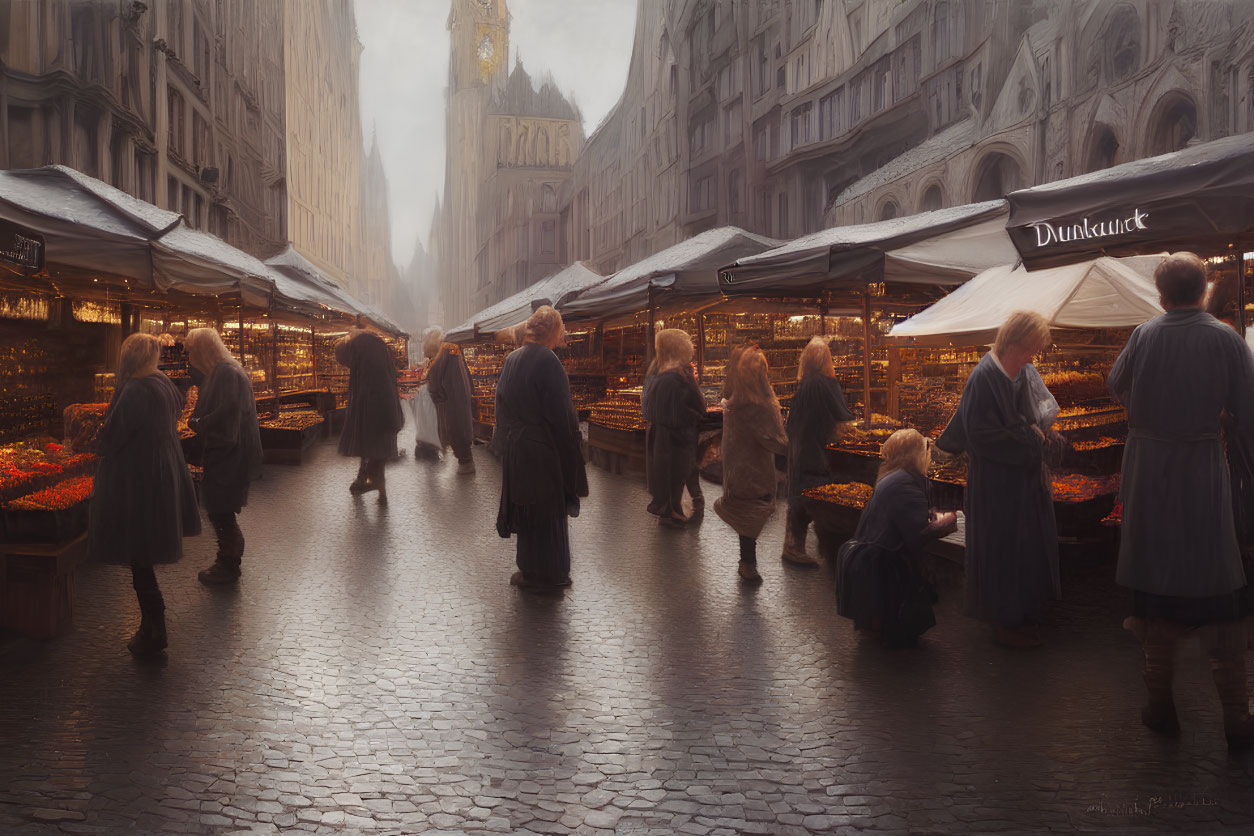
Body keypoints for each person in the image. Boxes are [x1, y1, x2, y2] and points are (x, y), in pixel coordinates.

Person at [1108, 252, 1254, 744]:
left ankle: (1160, 707)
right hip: (1199, 473)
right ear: (1204, 288)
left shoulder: (1144, 334)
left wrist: (1150, 413)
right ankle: (1236, 719)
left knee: (1155, 587)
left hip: (1148, 471)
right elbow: (1248, 409)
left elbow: (1116, 384)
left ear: (1162, 292)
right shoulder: (1224, 338)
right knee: (1217, 582)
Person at [950, 310, 1060, 649]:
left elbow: (1032, 417)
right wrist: (1028, 438)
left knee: (1024, 549)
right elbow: (981, 436)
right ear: (1013, 343)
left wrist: (1046, 433)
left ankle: (1025, 613)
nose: (1032, 358)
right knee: (1003, 551)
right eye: (1030, 350)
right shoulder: (983, 378)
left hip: (1022, 484)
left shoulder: (1021, 372)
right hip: (997, 486)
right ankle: (1004, 622)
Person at [88, 333, 201, 657]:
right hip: (160, 470)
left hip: (137, 477)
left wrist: (98, 441)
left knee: (138, 553)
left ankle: (154, 628)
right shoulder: (162, 383)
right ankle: (152, 626)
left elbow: (114, 435)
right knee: (143, 551)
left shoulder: (136, 388)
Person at [493, 305, 588, 590]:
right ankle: (552, 574)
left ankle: (529, 570)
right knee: (548, 511)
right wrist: (571, 448)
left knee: (527, 510)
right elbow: (562, 415)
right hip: (542, 449)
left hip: (518, 448)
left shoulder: (512, 358)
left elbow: (501, 407)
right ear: (554, 331)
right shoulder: (549, 361)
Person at [836, 429, 957, 647]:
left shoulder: (891, 478)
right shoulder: (906, 484)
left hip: (869, 560)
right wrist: (948, 520)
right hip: (882, 565)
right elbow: (918, 534)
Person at [185, 328, 262, 585]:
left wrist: (199, 422)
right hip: (229, 448)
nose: (190, 355)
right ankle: (227, 560)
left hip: (229, 450)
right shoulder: (224, 371)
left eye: (193, 349)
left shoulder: (226, 373)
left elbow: (227, 410)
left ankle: (228, 564)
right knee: (221, 508)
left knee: (221, 509)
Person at [715, 347, 788, 584]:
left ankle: (747, 562)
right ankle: (748, 564)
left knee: (746, 508)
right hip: (755, 467)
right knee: (754, 510)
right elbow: (774, 441)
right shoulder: (760, 405)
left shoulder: (736, 401)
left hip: (736, 465)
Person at [783, 336, 854, 565]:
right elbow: (841, 415)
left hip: (801, 447)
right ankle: (827, 548)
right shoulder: (824, 384)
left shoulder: (804, 384)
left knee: (799, 495)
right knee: (819, 497)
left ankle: (794, 545)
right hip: (818, 450)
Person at [642, 329, 706, 527]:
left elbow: (649, 407)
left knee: (670, 475)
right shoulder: (677, 376)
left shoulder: (657, 370)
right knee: (681, 474)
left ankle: (672, 510)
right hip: (678, 437)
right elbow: (698, 406)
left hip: (663, 436)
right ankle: (679, 511)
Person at [335, 329, 404, 504]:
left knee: (374, 451)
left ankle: (373, 485)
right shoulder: (373, 349)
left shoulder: (362, 349)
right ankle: (379, 491)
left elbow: (367, 393)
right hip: (385, 414)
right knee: (377, 452)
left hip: (376, 417)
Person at [422, 327, 476, 474]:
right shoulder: (449, 355)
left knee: (457, 428)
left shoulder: (446, 356)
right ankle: (464, 460)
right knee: (457, 428)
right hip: (453, 401)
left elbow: (436, 382)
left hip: (452, 403)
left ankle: (465, 462)